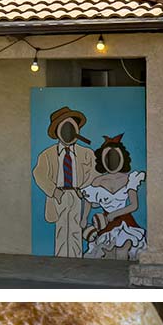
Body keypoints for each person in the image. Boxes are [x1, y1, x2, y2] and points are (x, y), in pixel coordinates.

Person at [32, 106, 96, 258]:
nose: (69, 131)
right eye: (65, 127)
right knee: (61, 229)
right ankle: (61, 260)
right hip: (58, 195)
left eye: (72, 127)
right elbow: (39, 173)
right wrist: (54, 191)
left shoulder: (87, 153)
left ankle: (76, 259)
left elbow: (94, 172)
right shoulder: (47, 155)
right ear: (57, 131)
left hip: (77, 195)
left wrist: (84, 189)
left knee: (76, 228)